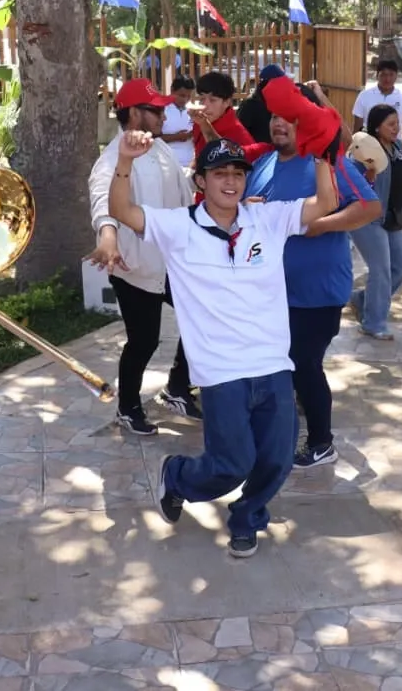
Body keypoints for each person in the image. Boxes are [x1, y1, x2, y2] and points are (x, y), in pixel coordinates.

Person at [111, 121, 339, 559]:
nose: (231, 181)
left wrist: (324, 153)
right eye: (220, 174)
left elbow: (325, 202)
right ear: (200, 181)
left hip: (273, 363)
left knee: (275, 460)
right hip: (220, 371)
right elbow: (123, 211)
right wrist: (124, 161)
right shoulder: (179, 227)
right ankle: (177, 477)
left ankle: (247, 518)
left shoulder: (268, 218)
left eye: (238, 173)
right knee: (231, 464)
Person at [244, 82, 380, 469]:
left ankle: (321, 442)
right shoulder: (264, 164)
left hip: (317, 292)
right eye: (274, 116)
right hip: (272, 292)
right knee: (278, 367)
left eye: (288, 116)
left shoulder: (329, 162)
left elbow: (369, 207)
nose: (279, 124)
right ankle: (276, 437)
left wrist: (323, 225)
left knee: (303, 364)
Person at [88, 78, 200, 433]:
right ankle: (128, 405)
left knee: (200, 318)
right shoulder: (111, 159)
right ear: (134, 113)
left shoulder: (160, 148)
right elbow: (103, 202)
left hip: (173, 261)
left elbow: (182, 190)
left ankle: (178, 388)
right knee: (145, 339)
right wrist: (108, 237)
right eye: (155, 110)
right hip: (134, 266)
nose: (164, 115)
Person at [350, 104, 402, 340]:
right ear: (376, 126)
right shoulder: (363, 148)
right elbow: (351, 180)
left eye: (397, 123)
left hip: (392, 217)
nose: (396, 128)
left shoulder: (397, 146)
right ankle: (373, 322)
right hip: (368, 217)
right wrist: (367, 178)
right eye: (390, 124)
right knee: (381, 269)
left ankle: (363, 299)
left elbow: (398, 177)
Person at [189, 71, 254, 163]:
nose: (205, 105)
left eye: (212, 100)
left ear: (227, 102)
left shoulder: (239, 134)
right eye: (202, 98)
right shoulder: (199, 123)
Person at [351, 59, 402, 136]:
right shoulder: (364, 96)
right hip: (369, 142)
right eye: (383, 75)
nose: (387, 79)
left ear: (396, 76)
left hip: (394, 143)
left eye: (391, 74)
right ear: (377, 75)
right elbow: (357, 126)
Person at [160, 76, 197, 169]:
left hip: (190, 165)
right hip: (167, 165)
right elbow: (152, 138)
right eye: (182, 95)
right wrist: (177, 137)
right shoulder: (161, 110)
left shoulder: (193, 110)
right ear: (172, 90)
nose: (185, 100)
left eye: (189, 96)